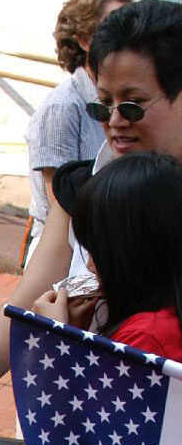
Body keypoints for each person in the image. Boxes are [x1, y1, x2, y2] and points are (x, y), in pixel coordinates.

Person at [0, 0, 182, 427]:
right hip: (100, 422)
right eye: (102, 105)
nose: (115, 121)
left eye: (133, 105)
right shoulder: (81, 188)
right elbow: (25, 302)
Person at [23, 0, 134, 264]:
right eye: (113, 27)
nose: (127, 38)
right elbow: (60, 203)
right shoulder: (63, 106)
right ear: (84, 40)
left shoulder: (123, 101)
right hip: (66, 255)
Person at [33, 150, 182, 359]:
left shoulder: (145, 337)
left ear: (135, 251)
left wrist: (55, 338)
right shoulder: (160, 322)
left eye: (96, 251)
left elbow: (70, 382)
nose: (90, 266)